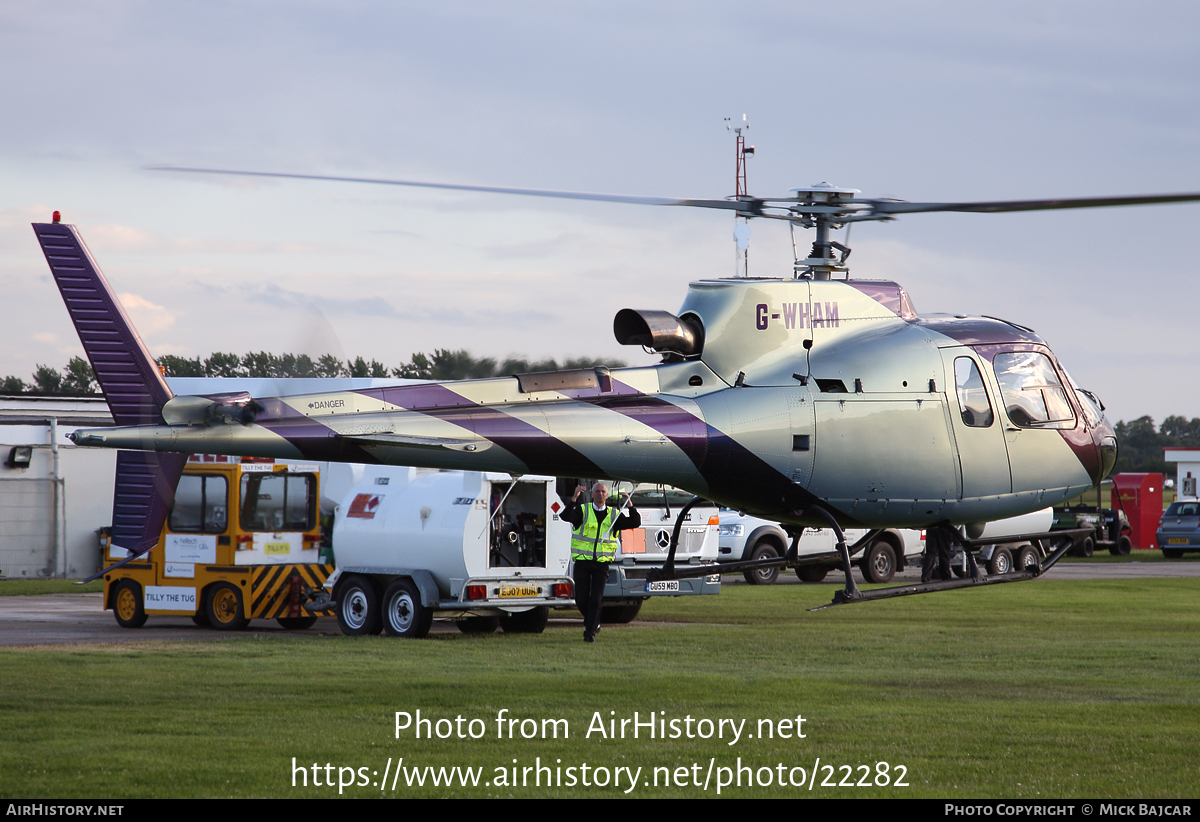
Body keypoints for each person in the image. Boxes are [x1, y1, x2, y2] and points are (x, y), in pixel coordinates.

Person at [562, 481, 640, 642]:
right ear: (592, 494)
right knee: (582, 599)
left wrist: (630, 505)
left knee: (596, 599)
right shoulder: (583, 510)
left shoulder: (614, 514)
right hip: (582, 562)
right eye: (597, 491)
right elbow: (566, 516)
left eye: (603, 492)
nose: (600, 494)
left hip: (601, 564)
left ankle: (589, 634)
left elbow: (635, 522)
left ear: (607, 494)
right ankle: (594, 622)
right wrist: (574, 498)